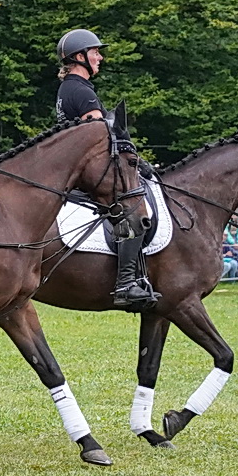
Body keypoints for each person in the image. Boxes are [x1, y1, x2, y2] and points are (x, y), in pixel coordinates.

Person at [55, 27, 157, 309]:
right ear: (79, 57)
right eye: (95, 52)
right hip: (88, 171)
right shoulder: (81, 91)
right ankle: (125, 283)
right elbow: (100, 139)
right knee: (133, 215)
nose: (100, 57)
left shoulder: (70, 89)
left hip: (76, 168)